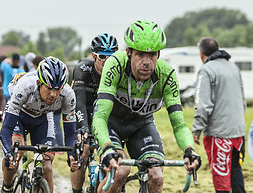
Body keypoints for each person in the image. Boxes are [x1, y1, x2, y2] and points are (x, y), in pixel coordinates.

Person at [92, 20, 201, 193]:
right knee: (120, 171)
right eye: (140, 55)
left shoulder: (167, 75)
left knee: (156, 177)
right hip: (111, 123)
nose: (147, 62)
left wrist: (189, 150)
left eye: (152, 56)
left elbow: (179, 124)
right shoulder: (115, 65)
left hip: (141, 126)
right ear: (128, 52)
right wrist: (106, 148)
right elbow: (100, 116)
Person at [0, 57, 78, 193]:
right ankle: (7, 186)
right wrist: (8, 152)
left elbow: (70, 133)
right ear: (39, 83)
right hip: (20, 115)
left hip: (43, 118)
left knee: (47, 167)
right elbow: (6, 128)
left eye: (57, 89)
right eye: (49, 88)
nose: (53, 94)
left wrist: (72, 154)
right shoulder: (25, 86)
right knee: (16, 153)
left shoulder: (68, 94)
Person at [192, 37, 246, 193]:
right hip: (237, 132)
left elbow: (203, 103)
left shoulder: (206, 70)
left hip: (219, 134)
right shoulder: (234, 68)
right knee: (236, 171)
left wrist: (197, 129)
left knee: (221, 177)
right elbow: (242, 101)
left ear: (202, 54)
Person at [70, 33, 119, 193]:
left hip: (106, 114)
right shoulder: (83, 69)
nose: (107, 62)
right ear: (93, 56)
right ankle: (76, 191)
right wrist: (83, 128)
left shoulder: (120, 72)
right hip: (84, 110)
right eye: (102, 57)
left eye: (111, 57)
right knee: (83, 151)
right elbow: (79, 102)